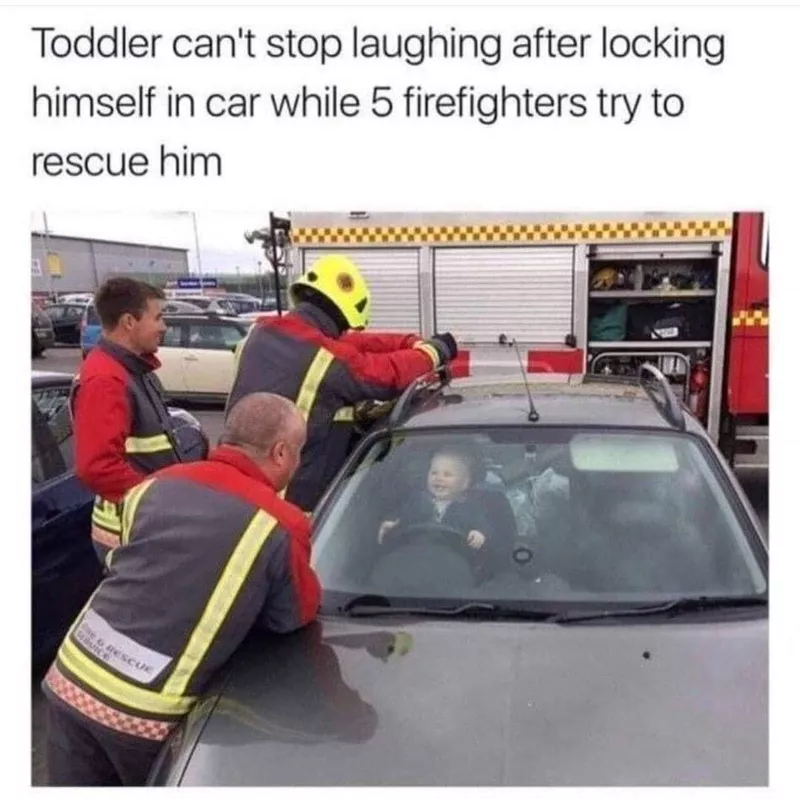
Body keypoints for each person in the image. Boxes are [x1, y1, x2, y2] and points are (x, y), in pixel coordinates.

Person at [42, 392, 321, 787]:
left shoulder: (154, 484)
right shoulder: (279, 523)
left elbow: (130, 558)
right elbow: (291, 616)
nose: (298, 462)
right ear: (280, 453)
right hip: (140, 713)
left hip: (69, 676)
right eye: (298, 450)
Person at [226, 253, 459, 512]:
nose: (347, 333)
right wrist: (435, 351)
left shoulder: (258, 334)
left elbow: (350, 345)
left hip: (235, 491)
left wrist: (409, 342)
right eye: (346, 327)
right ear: (342, 314)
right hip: (288, 504)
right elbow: (387, 374)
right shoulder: (326, 359)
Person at [71, 277, 194, 564]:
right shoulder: (106, 380)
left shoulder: (131, 368)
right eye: (158, 317)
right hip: (131, 532)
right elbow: (96, 467)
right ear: (129, 321)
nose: (164, 327)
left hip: (142, 524)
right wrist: (159, 500)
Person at [377, 447, 494, 552]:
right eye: (434, 473)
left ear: (464, 483)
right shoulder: (416, 501)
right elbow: (401, 517)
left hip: (454, 561)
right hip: (415, 555)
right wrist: (392, 523)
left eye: (447, 474)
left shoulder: (471, 509)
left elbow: (483, 527)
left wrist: (479, 534)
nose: (439, 478)